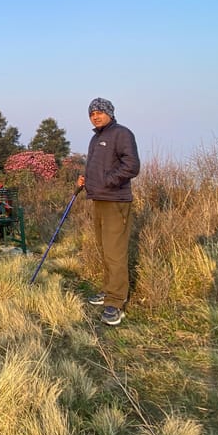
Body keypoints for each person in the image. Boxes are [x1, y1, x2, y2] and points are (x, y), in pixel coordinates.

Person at [76, 97, 140, 326]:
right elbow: (98, 166)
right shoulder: (96, 138)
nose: (95, 115)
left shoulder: (122, 133)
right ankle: (108, 290)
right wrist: (87, 179)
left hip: (116, 201)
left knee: (115, 252)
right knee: (104, 250)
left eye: (99, 112)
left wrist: (107, 181)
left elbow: (132, 165)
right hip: (99, 201)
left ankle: (116, 303)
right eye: (91, 113)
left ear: (110, 113)